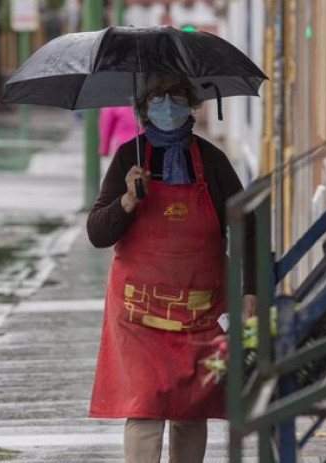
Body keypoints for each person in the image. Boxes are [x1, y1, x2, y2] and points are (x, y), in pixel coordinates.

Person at [87, 73, 256, 463]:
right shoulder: (128, 158)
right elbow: (97, 232)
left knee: (191, 409)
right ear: (144, 108)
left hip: (200, 310)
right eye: (157, 97)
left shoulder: (212, 161)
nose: (167, 104)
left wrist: (251, 289)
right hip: (138, 314)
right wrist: (127, 200)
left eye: (176, 96)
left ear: (191, 105)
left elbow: (248, 224)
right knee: (144, 408)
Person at [98, 105, 138, 177]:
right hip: (140, 146)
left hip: (121, 148)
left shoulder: (112, 104)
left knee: (120, 176)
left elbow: (106, 129)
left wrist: (104, 150)